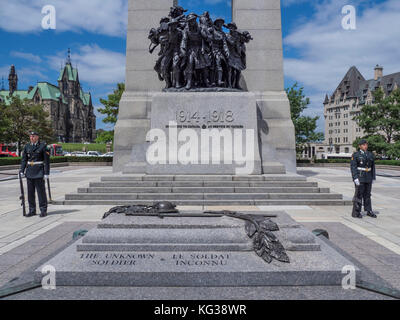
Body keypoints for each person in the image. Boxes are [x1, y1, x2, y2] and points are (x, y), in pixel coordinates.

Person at [20, 131, 50, 217]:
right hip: (29, 172)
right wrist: (22, 170)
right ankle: (32, 210)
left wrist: (46, 173)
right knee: (30, 193)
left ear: (37, 137)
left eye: (33, 136)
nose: (31, 138)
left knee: (41, 192)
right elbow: (24, 160)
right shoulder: (27, 146)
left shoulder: (43, 146)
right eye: (30, 136)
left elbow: (47, 161)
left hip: (39, 172)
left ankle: (43, 210)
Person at [350, 139, 377, 219]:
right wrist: (355, 178)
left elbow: (373, 167)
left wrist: (373, 177)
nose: (365, 146)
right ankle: (356, 212)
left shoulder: (370, 154)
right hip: (360, 177)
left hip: (368, 176)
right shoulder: (356, 155)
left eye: (366, 145)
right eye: (364, 145)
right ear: (360, 146)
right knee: (359, 195)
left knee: (368, 195)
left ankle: (369, 210)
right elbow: (353, 167)